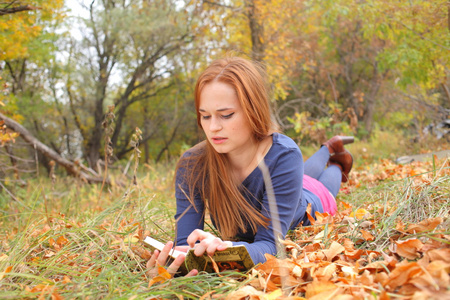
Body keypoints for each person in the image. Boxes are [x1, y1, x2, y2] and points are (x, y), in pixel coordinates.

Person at [146, 57, 354, 277]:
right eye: (205, 116)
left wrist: (226, 249)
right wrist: (175, 267)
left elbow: (270, 246)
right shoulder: (192, 166)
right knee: (305, 175)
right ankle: (329, 145)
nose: (213, 127)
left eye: (226, 115)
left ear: (253, 110)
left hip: (310, 204)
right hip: (288, 182)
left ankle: (334, 158)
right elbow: (185, 245)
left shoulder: (284, 155)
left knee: (325, 183)